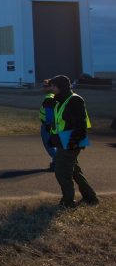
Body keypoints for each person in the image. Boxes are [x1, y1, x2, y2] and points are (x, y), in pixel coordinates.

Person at [46, 74, 99, 208]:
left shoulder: (74, 100)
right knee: (74, 171)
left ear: (60, 86)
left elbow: (80, 124)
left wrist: (72, 143)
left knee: (61, 172)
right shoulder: (60, 100)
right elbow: (61, 122)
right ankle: (90, 197)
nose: (51, 88)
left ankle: (68, 202)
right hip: (64, 140)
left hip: (71, 141)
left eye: (53, 85)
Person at [38, 80, 56, 171]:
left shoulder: (49, 98)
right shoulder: (53, 96)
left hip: (47, 125)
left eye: (46, 86)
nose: (43, 88)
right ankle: (56, 162)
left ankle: (57, 162)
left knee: (49, 145)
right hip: (52, 125)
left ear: (51, 87)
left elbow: (49, 113)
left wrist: (48, 124)